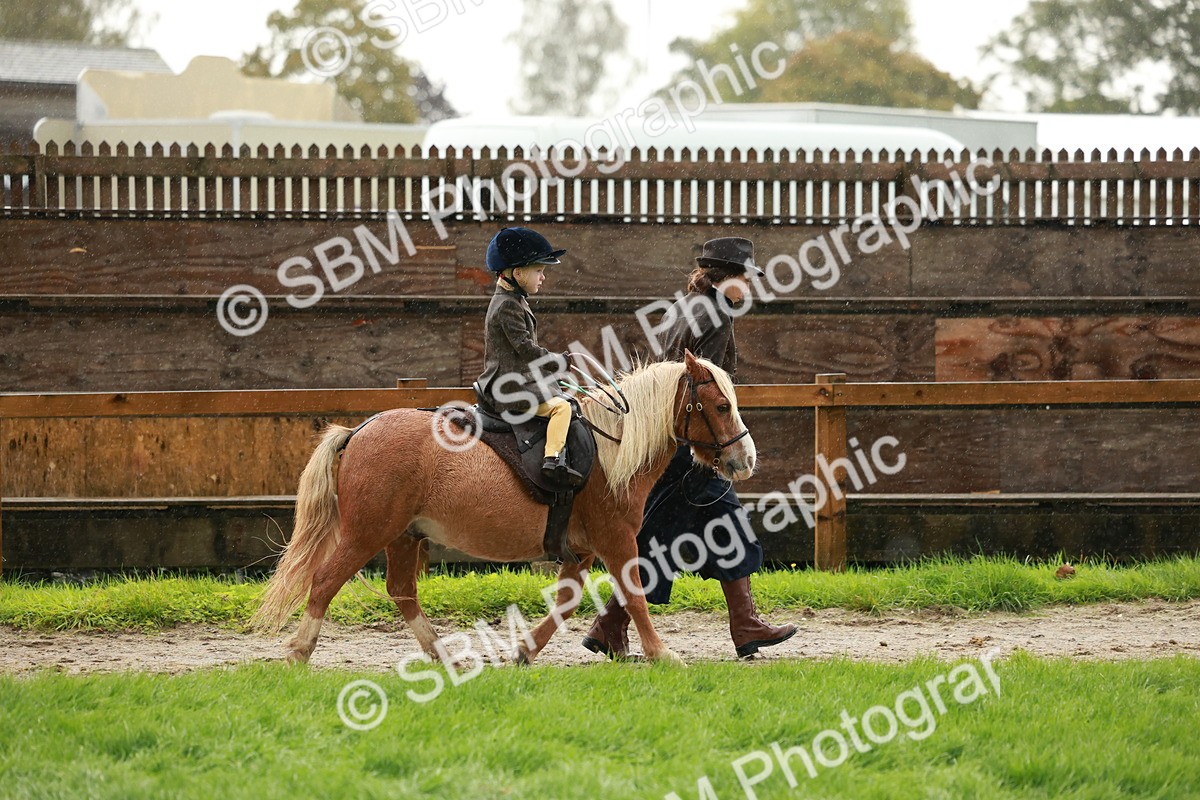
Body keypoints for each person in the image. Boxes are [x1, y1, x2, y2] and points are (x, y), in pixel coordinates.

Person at [582, 236, 798, 660]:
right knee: (712, 528)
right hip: (694, 447)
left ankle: (613, 625)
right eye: (745, 278)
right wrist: (714, 443)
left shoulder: (684, 307)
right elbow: (700, 382)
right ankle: (615, 624)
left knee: (663, 536)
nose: (750, 287)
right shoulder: (716, 314)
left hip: (673, 442)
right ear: (726, 279)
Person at [477, 227, 577, 484]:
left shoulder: (514, 299)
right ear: (518, 273)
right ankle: (553, 460)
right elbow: (525, 349)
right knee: (562, 408)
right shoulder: (507, 306)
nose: (543, 277)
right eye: (538, 271)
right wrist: (557, 361)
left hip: (517, 376)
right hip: (507, 386)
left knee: (564, 393)